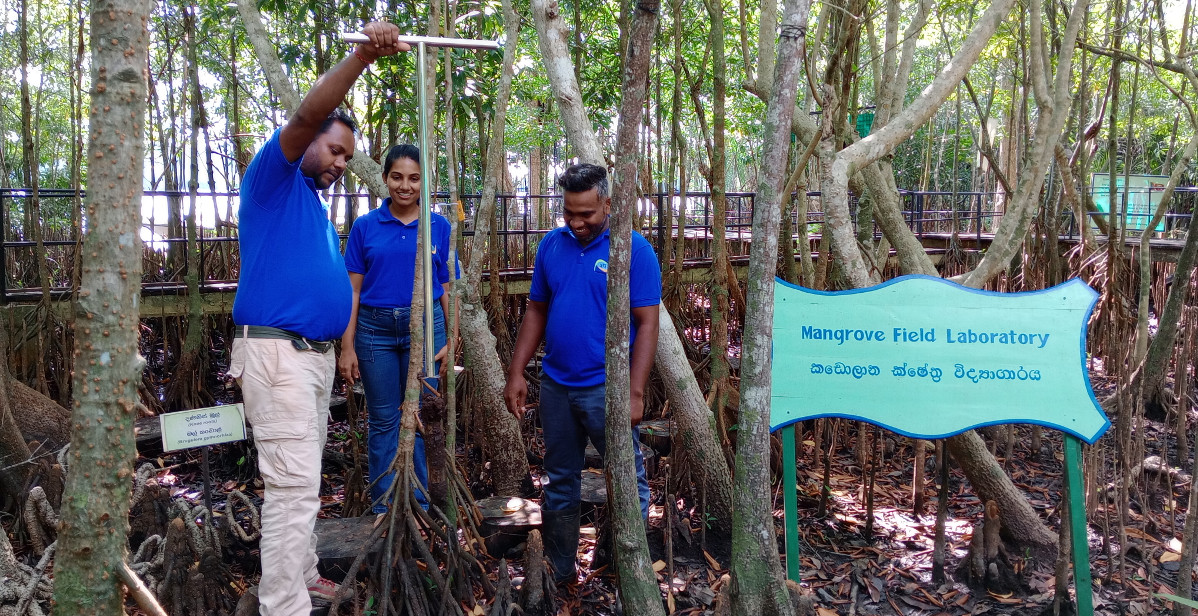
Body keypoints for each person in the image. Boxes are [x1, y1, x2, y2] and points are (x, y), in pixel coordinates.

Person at [226, 23, 406, 616]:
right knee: (290, 489)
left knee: (300, 481)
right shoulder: (272, 180)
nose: (338, 164)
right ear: (306, 142)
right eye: (334, 150)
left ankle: (299, 579)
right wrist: (361, 56)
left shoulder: (307, 201)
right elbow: (307, 114)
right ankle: (284, 605)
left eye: (348, 158)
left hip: (306, 358)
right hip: (278, 356)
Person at [503, 163, 661, 583]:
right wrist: (516, 372)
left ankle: (624, 567)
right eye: (568, 213)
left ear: (607, 204)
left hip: (606, 388)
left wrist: (635, 392)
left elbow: (647, 323)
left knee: (626, 476)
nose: (576, 222)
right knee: (559, 480)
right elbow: (536, 309)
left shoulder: (634, 250)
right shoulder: (552, 246)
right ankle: (558, 571)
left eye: (586, 214)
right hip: (556, 386)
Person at [338, 144, 452, 514]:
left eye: (414, 178)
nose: (405, 186)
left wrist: (453, 337)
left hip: (426, 326)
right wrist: (347, 346)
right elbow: (353, 289)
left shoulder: (438, 225)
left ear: (425, 182)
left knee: (422, 416)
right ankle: (385, 504)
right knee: (385, 419)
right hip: (375, 331)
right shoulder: (365, 226)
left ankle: (419, 501)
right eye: (397, 177)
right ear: (385, 179)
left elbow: (446, 287)